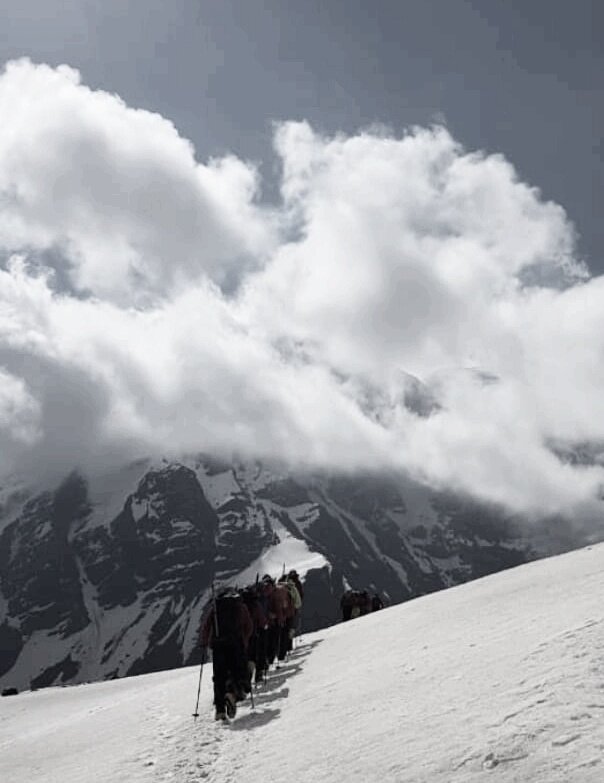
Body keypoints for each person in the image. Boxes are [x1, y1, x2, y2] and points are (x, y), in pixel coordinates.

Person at [200, 587, 253, 721]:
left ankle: (220, 710)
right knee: (238, 673)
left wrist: (205, 642)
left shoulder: (216, 608)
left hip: (218, 646)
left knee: (219, 677)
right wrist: (244, 642)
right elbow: (249, 626)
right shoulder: (240, 606)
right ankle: (232, 695)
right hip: (235, 644)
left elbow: (206, 626)